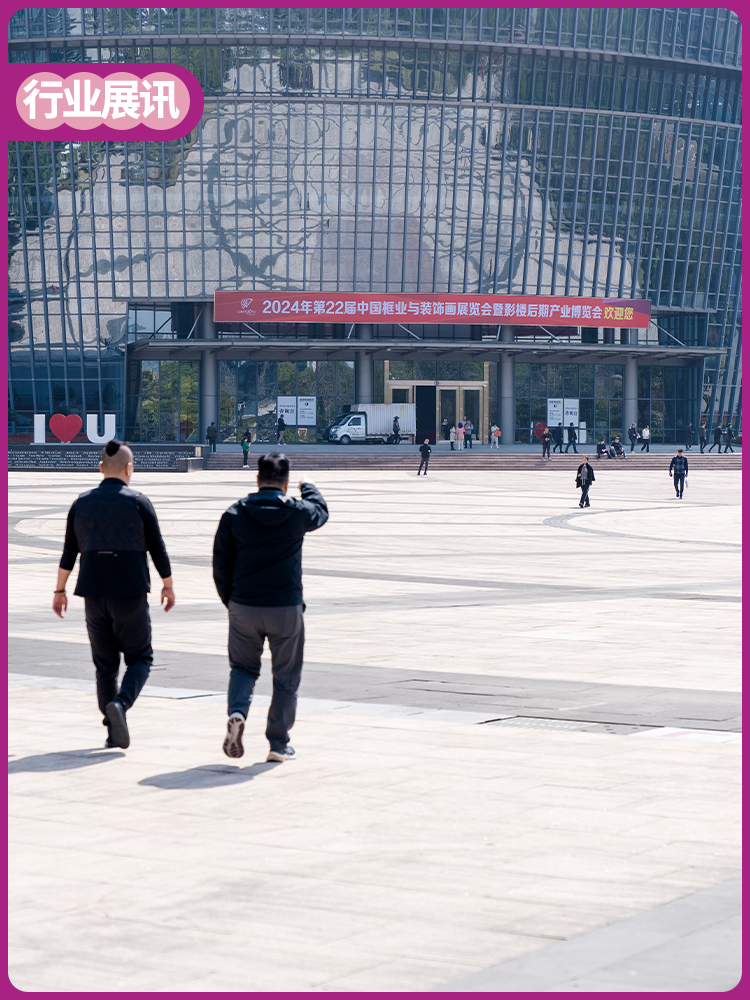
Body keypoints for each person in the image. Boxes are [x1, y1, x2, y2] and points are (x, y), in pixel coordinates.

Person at [53, 440, 175, 749]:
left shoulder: (81, 503)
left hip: (93, 593)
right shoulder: (139, 503)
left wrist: (59, 590)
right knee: (140, 657)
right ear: (129, 469)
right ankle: (120, 704)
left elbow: (69, 552)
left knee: (105, 666)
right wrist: (168, 584)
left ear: (100, 468)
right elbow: (157, 547)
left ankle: (112, 731)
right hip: (130, 591)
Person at [213, 453, 329, 763]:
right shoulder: (297, 512)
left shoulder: (235, 513)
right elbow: (321, 511)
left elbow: (220, 563)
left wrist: (231, 600)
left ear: (257, 479)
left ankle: (238, 712)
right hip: (285, 607)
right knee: (286, 676)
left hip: (244, 605)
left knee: (243, 668)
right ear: (286, 483)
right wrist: (309, 487)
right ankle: (278, 743)